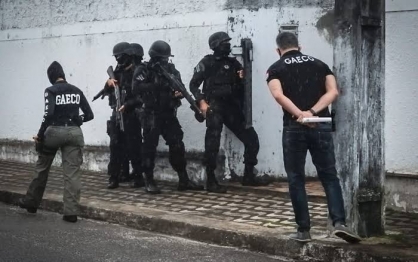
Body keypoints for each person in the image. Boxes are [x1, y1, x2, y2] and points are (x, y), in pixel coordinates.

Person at [266, 32, 361, 243]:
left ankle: (304, 230)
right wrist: (313, 112)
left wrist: (300, 114)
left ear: (278, 49)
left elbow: (278, 95)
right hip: (321, 125)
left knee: (296, 178)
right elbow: (333, 92)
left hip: (294, 127)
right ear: (299, 46)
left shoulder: (276, 68)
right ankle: (339, 223)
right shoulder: (320, 64)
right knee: (329, 176)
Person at [189, 31, 265, 193]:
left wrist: (242, 78)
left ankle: (248, 176)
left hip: (231, 107)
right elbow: (193, 85)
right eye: (224, 42)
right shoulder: (206, 62)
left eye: (228, 42)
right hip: (214, 107)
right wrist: (201, 102)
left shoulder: (233, 63)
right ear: (216, 45)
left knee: (251, 139)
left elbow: (242, 85)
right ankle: (210, 179)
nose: (228, 45)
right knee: (212, 143)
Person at [18, 61, 94, 223]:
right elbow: (89, 115)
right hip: (74, 133)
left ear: (51, 77)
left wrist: (40, 135)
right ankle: (71, 213)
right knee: (72, 173)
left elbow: (49, 114)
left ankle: (31, 203)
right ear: (63, 75)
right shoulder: (76, 90)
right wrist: (77, 120)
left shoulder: (50, 91)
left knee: (42, 167)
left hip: (54, 132)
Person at [132, 40, 203, 194]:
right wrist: (158, 86)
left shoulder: (171, 69)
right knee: (149, 148)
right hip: (151, 113)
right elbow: (136, 88)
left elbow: (179, 87)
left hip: (168, 113)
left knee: (177, 143)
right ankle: (148, 180)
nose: (165, 60)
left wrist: (177, 93)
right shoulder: (144, 69)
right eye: (162, 57)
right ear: (155, 57)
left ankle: (184, 179)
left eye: (166, 58)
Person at [104, 42, 144, 189]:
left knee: (134, 147)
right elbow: (107, 92)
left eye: (121, 57)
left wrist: (128, 105)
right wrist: (108, 84)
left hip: (132, 115)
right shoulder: (117, 72)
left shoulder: (137, 72)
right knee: (115, 146)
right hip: (117, 115)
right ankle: (113, 177)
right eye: (117, 57)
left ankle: (138, 176)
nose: (118, 60)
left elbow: (142, 96)